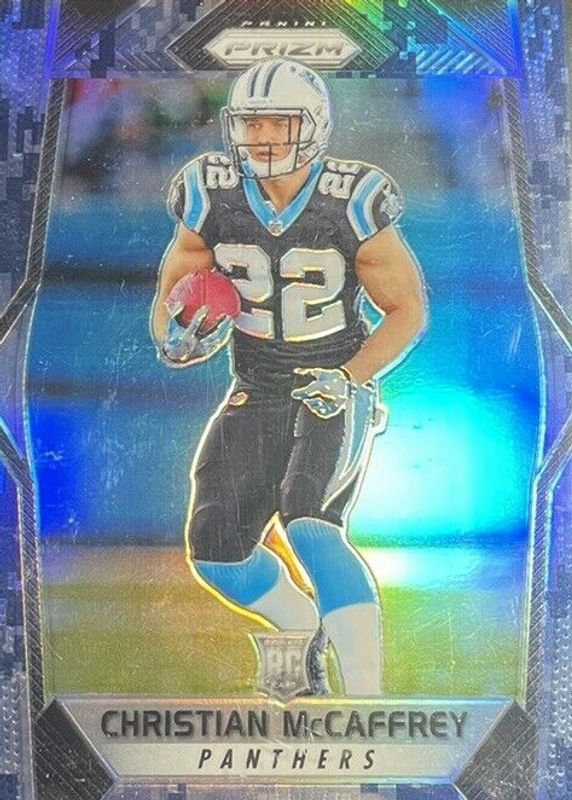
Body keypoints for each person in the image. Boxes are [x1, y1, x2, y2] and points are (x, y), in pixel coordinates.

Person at [151, 59, 427, 696]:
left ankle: (367, 702)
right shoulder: (209, 192)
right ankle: (303, 631)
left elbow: (407, 309)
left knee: (310, 522)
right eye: (252, 123)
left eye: (280, 122)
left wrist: (350, 376)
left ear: (315, 125)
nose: (264, 137)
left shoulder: (351, 199)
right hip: (256, 384)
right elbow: (176, 283)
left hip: (335, 380)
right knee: (216, 552)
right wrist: (174, 334)